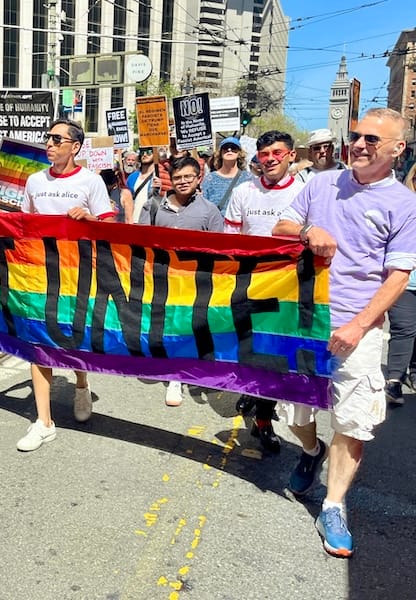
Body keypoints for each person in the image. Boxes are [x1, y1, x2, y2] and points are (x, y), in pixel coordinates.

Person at [271, 108, 416, 558]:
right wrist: (311, 229)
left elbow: (398, 275)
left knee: (352, 422)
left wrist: (358, 325)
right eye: (356, 136)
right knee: (297, 416)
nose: (360, 144)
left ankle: (333, 505)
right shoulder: (320, 183)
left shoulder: (405, 204)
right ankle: (311, 452)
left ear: (397, 149)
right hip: (305, 320)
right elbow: (282, 226)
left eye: (373, 139)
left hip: (361, 327)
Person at [18, 118, 116, 451]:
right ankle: (44, 422)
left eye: (57, 139)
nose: (49, 144)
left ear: (75, 147)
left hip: (79, 276)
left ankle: (81, 383)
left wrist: (89, 219)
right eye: (48, 138)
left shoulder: (92, 182)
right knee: (38, 341)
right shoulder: (34, 180)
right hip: (41, 274)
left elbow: (110, 227)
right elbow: (24, 223)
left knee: (74, 338)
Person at [223, 130, 305, 452]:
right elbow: (230, 240)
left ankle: (264, 420)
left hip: (287, 289)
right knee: (247, 350)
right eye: (264, 154)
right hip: (246, 286)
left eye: (277, 153)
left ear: (290, 155)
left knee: (273, 356)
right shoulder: (243, 191)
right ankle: (250, 392)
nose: (270, 159)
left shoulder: (304, 192)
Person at [138, 155, 223, 406]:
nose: (183, 181)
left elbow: (220, 252)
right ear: (170, 180)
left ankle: (179, 375)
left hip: (196, 282)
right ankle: (174, 370)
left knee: (188, 326)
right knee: (167, 325)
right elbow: (141, 243)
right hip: (162, 279)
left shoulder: (210, 211)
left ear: (199, 178)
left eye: (188, 177)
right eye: (177, 177)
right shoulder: (152, 207)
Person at [384, 163, 416, 405]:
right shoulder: (401, 203)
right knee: (403, 328)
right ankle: (394, 379)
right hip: (403, 279)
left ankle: (413, 371)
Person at [200, 137, 252, 215]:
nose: (229, 150)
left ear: (239, 153)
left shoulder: (248, 178)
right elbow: (203, 206)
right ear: (220, 153)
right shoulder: (210, 179)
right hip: (217, 225)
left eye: (233, 148)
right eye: (225, 148)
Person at [125, 148, 159, 223]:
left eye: (149, 152)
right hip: (134, 221)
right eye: (142, 152)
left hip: (152, 221)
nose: (145, 154)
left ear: (155, 154)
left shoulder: (161, 175)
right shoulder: (132, 177)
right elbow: (126, 200)